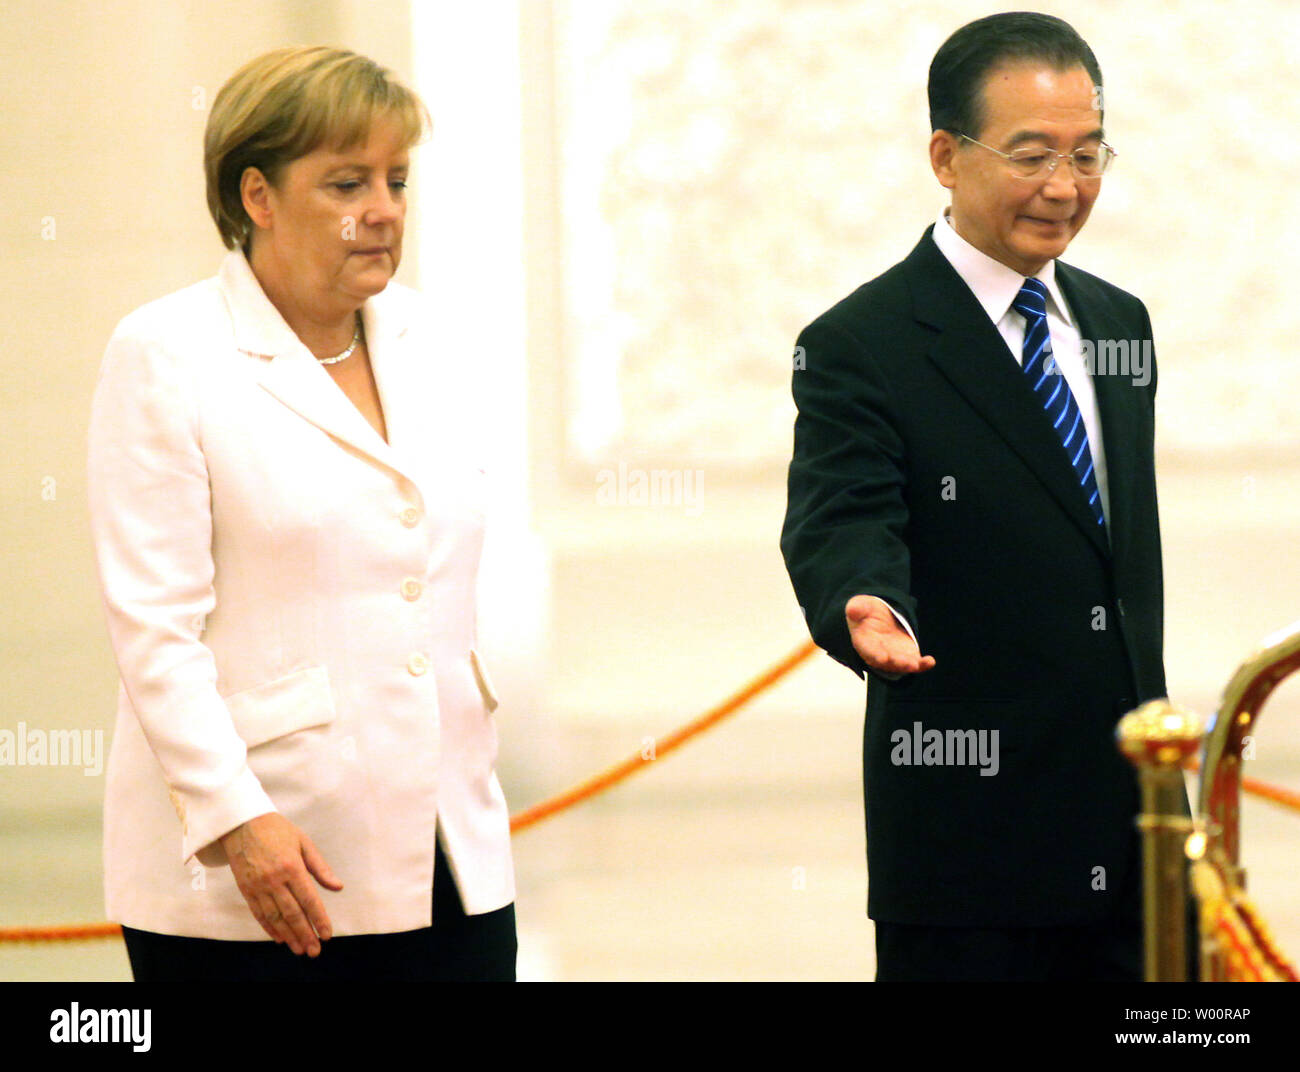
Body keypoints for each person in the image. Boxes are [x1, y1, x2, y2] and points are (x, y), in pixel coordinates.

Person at [86, 45, 516, 981]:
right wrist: (238, 817)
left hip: (452, 844)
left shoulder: (430, 335)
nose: (384, 209)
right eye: (346, 183)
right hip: (263, 858)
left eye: (396, 179)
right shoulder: (166, 353)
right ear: (257, 196)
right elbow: (154, 627)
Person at [781, 13, 1172, 981]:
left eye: (1088, 154)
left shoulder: (1120, 323)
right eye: (1032, 154)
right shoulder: (860, 344)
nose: (1064, 187)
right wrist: (860, 601)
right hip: (971, 859)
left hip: (1135, 840)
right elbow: (843, 518)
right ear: (946, 157)